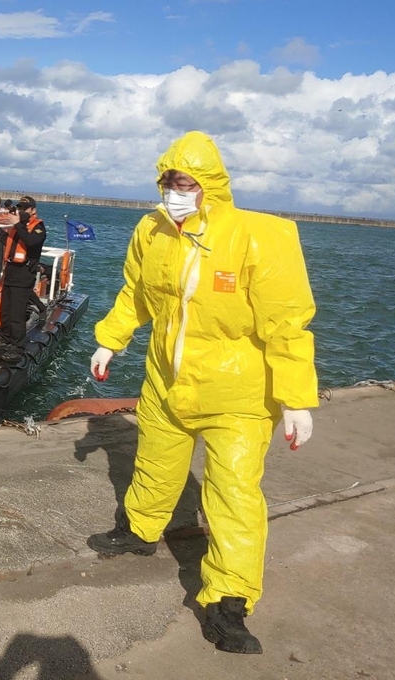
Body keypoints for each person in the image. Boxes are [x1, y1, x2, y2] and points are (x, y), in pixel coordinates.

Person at [86, 131, 318, 655]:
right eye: (169, 181)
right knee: (154, 462)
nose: (176, 191)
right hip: (166, 380)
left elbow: (287, 324)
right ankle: (140, 530)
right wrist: (109, 341)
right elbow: (136, 294)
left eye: (186, 183)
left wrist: (296, 398)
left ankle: (228, 602)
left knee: (234, 495)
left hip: (237, 393)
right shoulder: (152, 231)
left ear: (209, 186)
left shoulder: (260, 237)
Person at [0, 196, 47, 361]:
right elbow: (8, 244)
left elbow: (30, 241)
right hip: (11, 274)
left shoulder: (38, 228)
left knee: (16, 314)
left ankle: (17, 347)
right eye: (19, 208)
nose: (21, 211)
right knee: (5, 311)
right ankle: (6, 338)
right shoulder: (18, 228)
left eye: (25, 208)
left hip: (23, 276)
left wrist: (16, 223)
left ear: (33, 210)